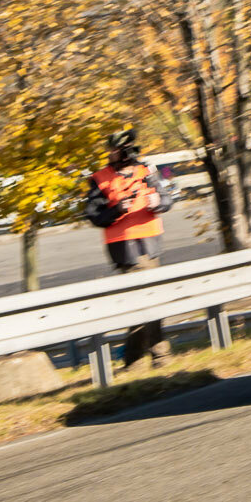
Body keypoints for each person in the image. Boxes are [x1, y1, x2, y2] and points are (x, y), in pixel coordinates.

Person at [85, 130, 173, 366]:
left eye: (114, 150)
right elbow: (94, 216)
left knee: (144, 302)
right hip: (124, 247)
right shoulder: (99, 178)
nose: (111, 153)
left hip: (151, 243)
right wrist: (117, 210)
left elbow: (167, 198)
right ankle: (159, 355)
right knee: (148, 300)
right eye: (111, 150)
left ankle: (133, 360)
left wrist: (159, 202)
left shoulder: (147, 171)